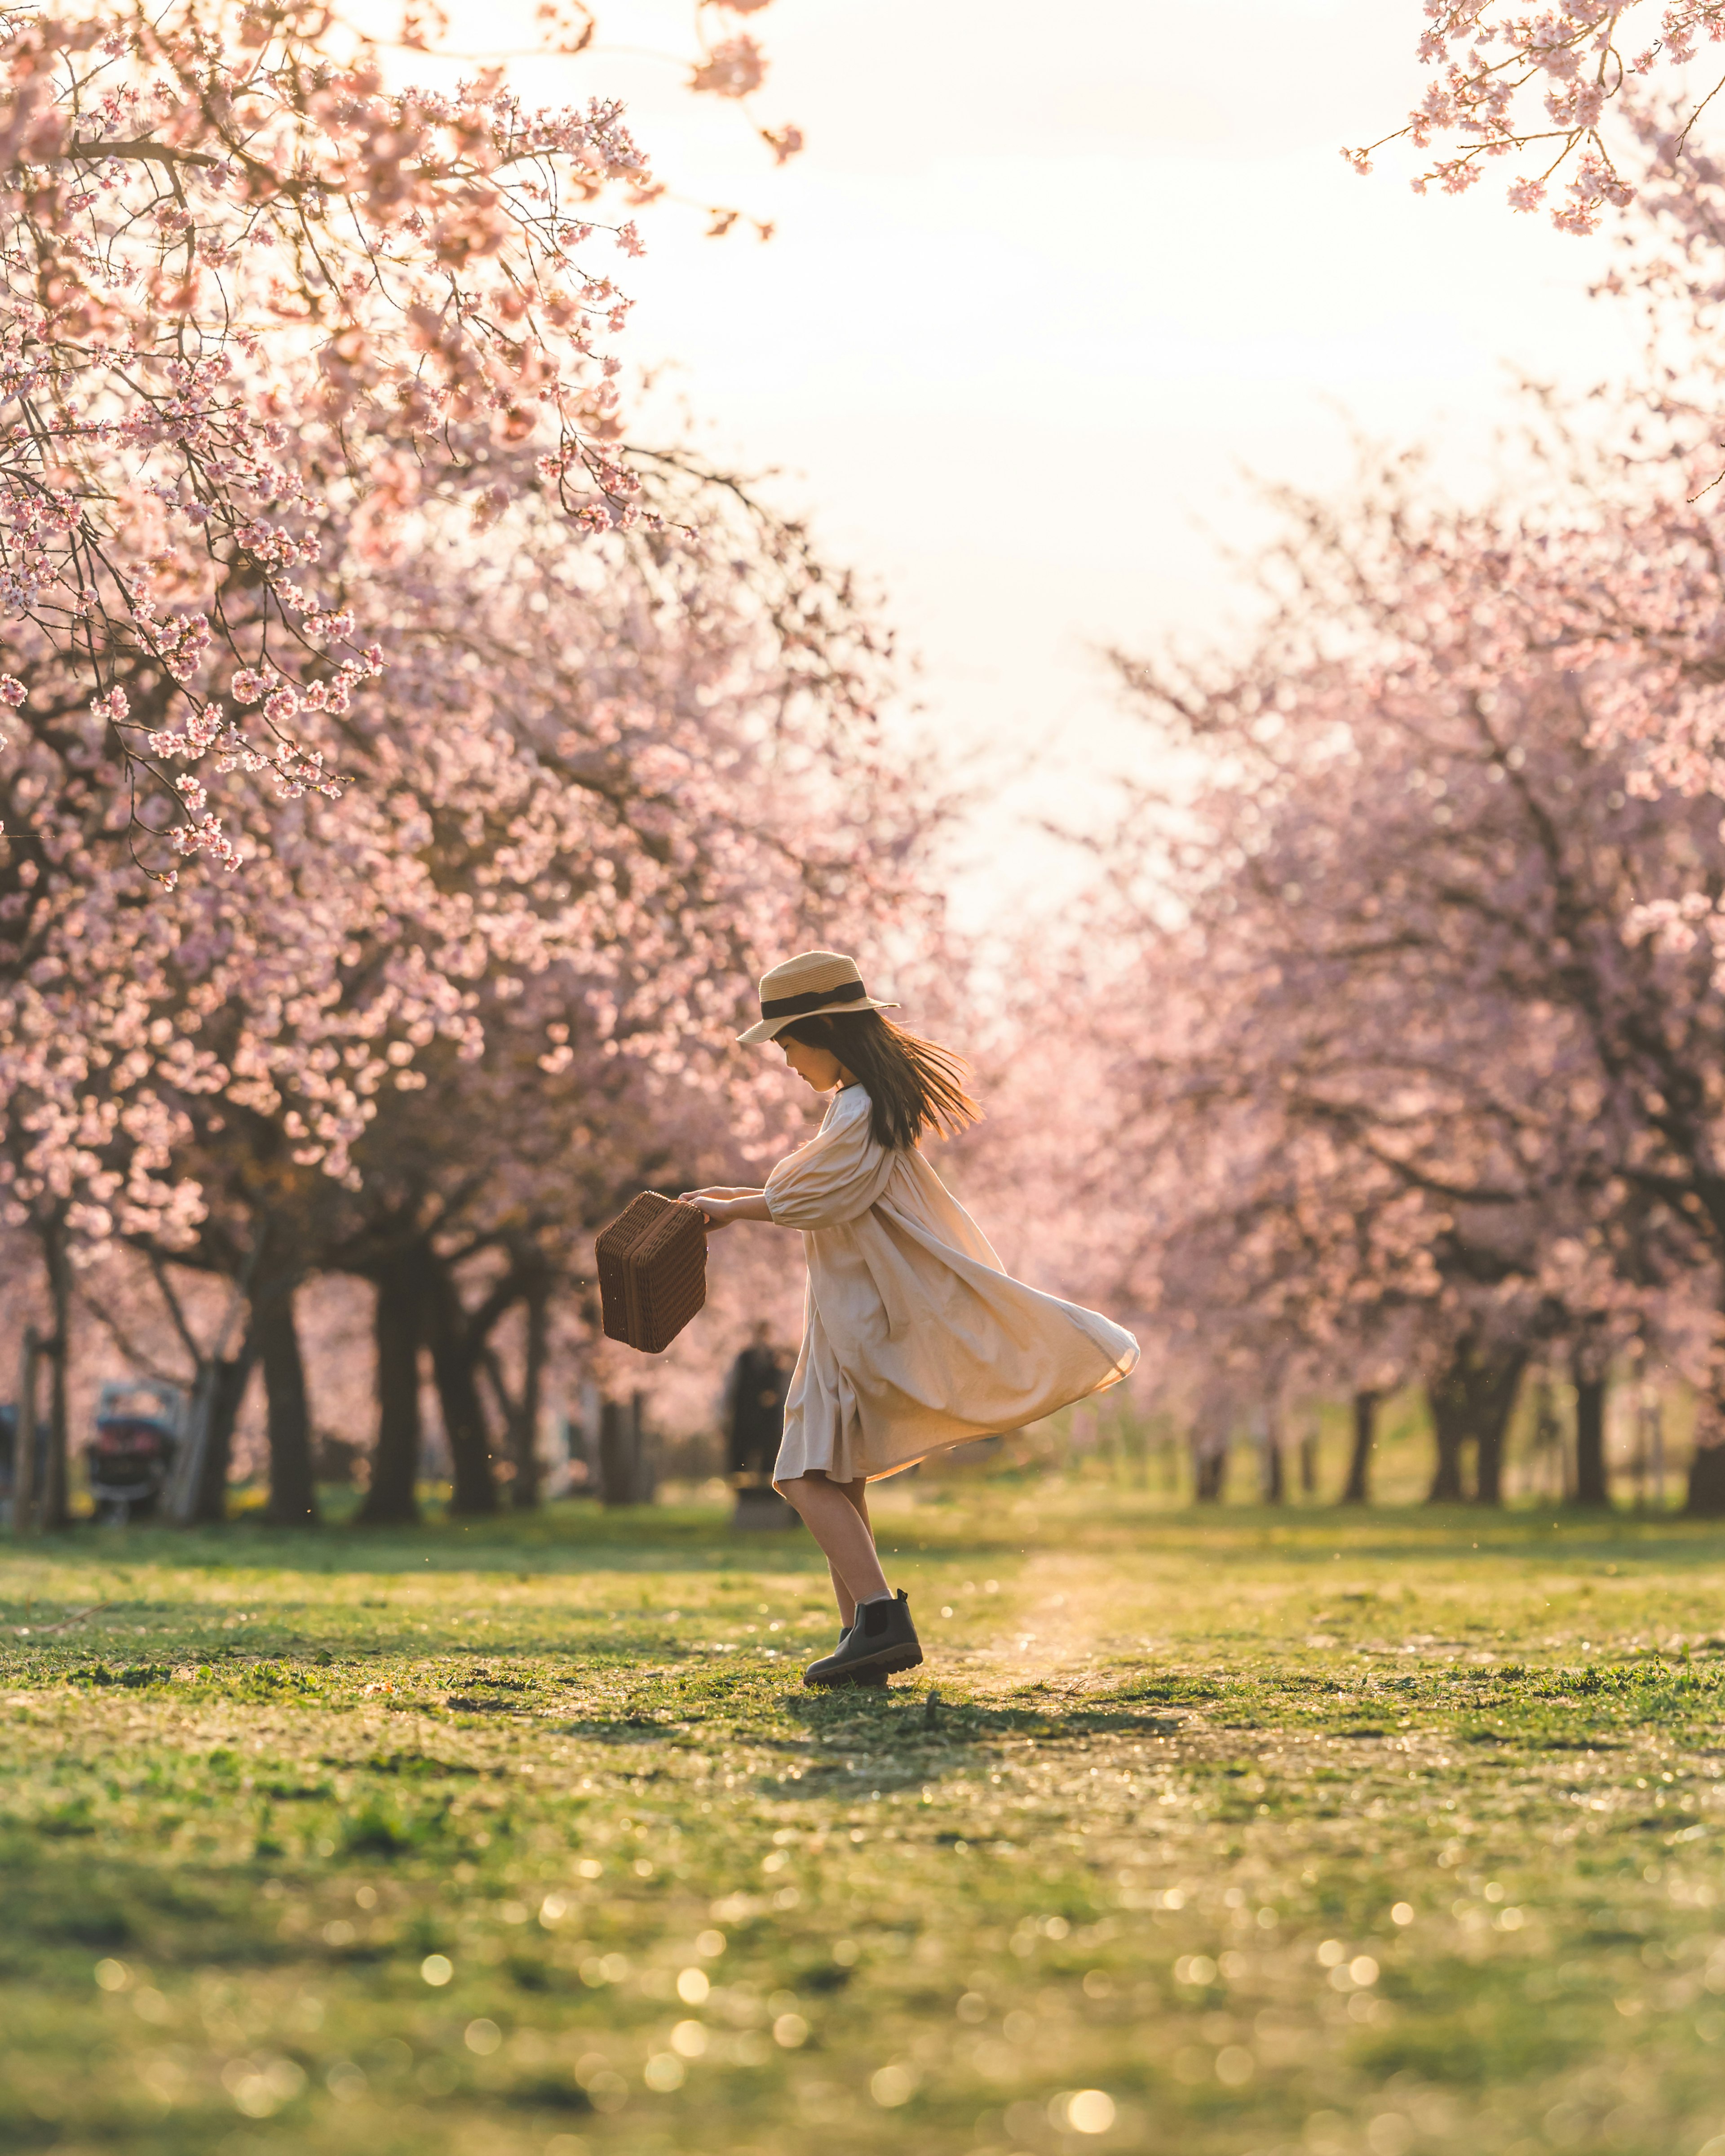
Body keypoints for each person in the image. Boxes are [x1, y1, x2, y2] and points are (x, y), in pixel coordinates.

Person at [683, 948, 1139, 1688]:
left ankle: (879, 1616)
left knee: (801, 1471)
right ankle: (861, 1633)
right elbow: (816, 1186)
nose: (788, 1062)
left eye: (791, 1045)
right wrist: (731, 1199)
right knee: (838, 1469)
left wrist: (735, 1206)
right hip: (848, 1313)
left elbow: (815, 1193)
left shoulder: (861, 1106)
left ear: (826, 1029)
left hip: (863, 1314)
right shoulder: (857, 1106)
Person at [724, 1321, 793, 1526]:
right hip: (745, 1420)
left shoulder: (778, 1359)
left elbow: (785, 1388)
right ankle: (745, 1501)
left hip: (770, 1423)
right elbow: (732, 1388)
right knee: (742, 1461)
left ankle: (771, 1503)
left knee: (769, 1461)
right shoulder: (743, 1359)